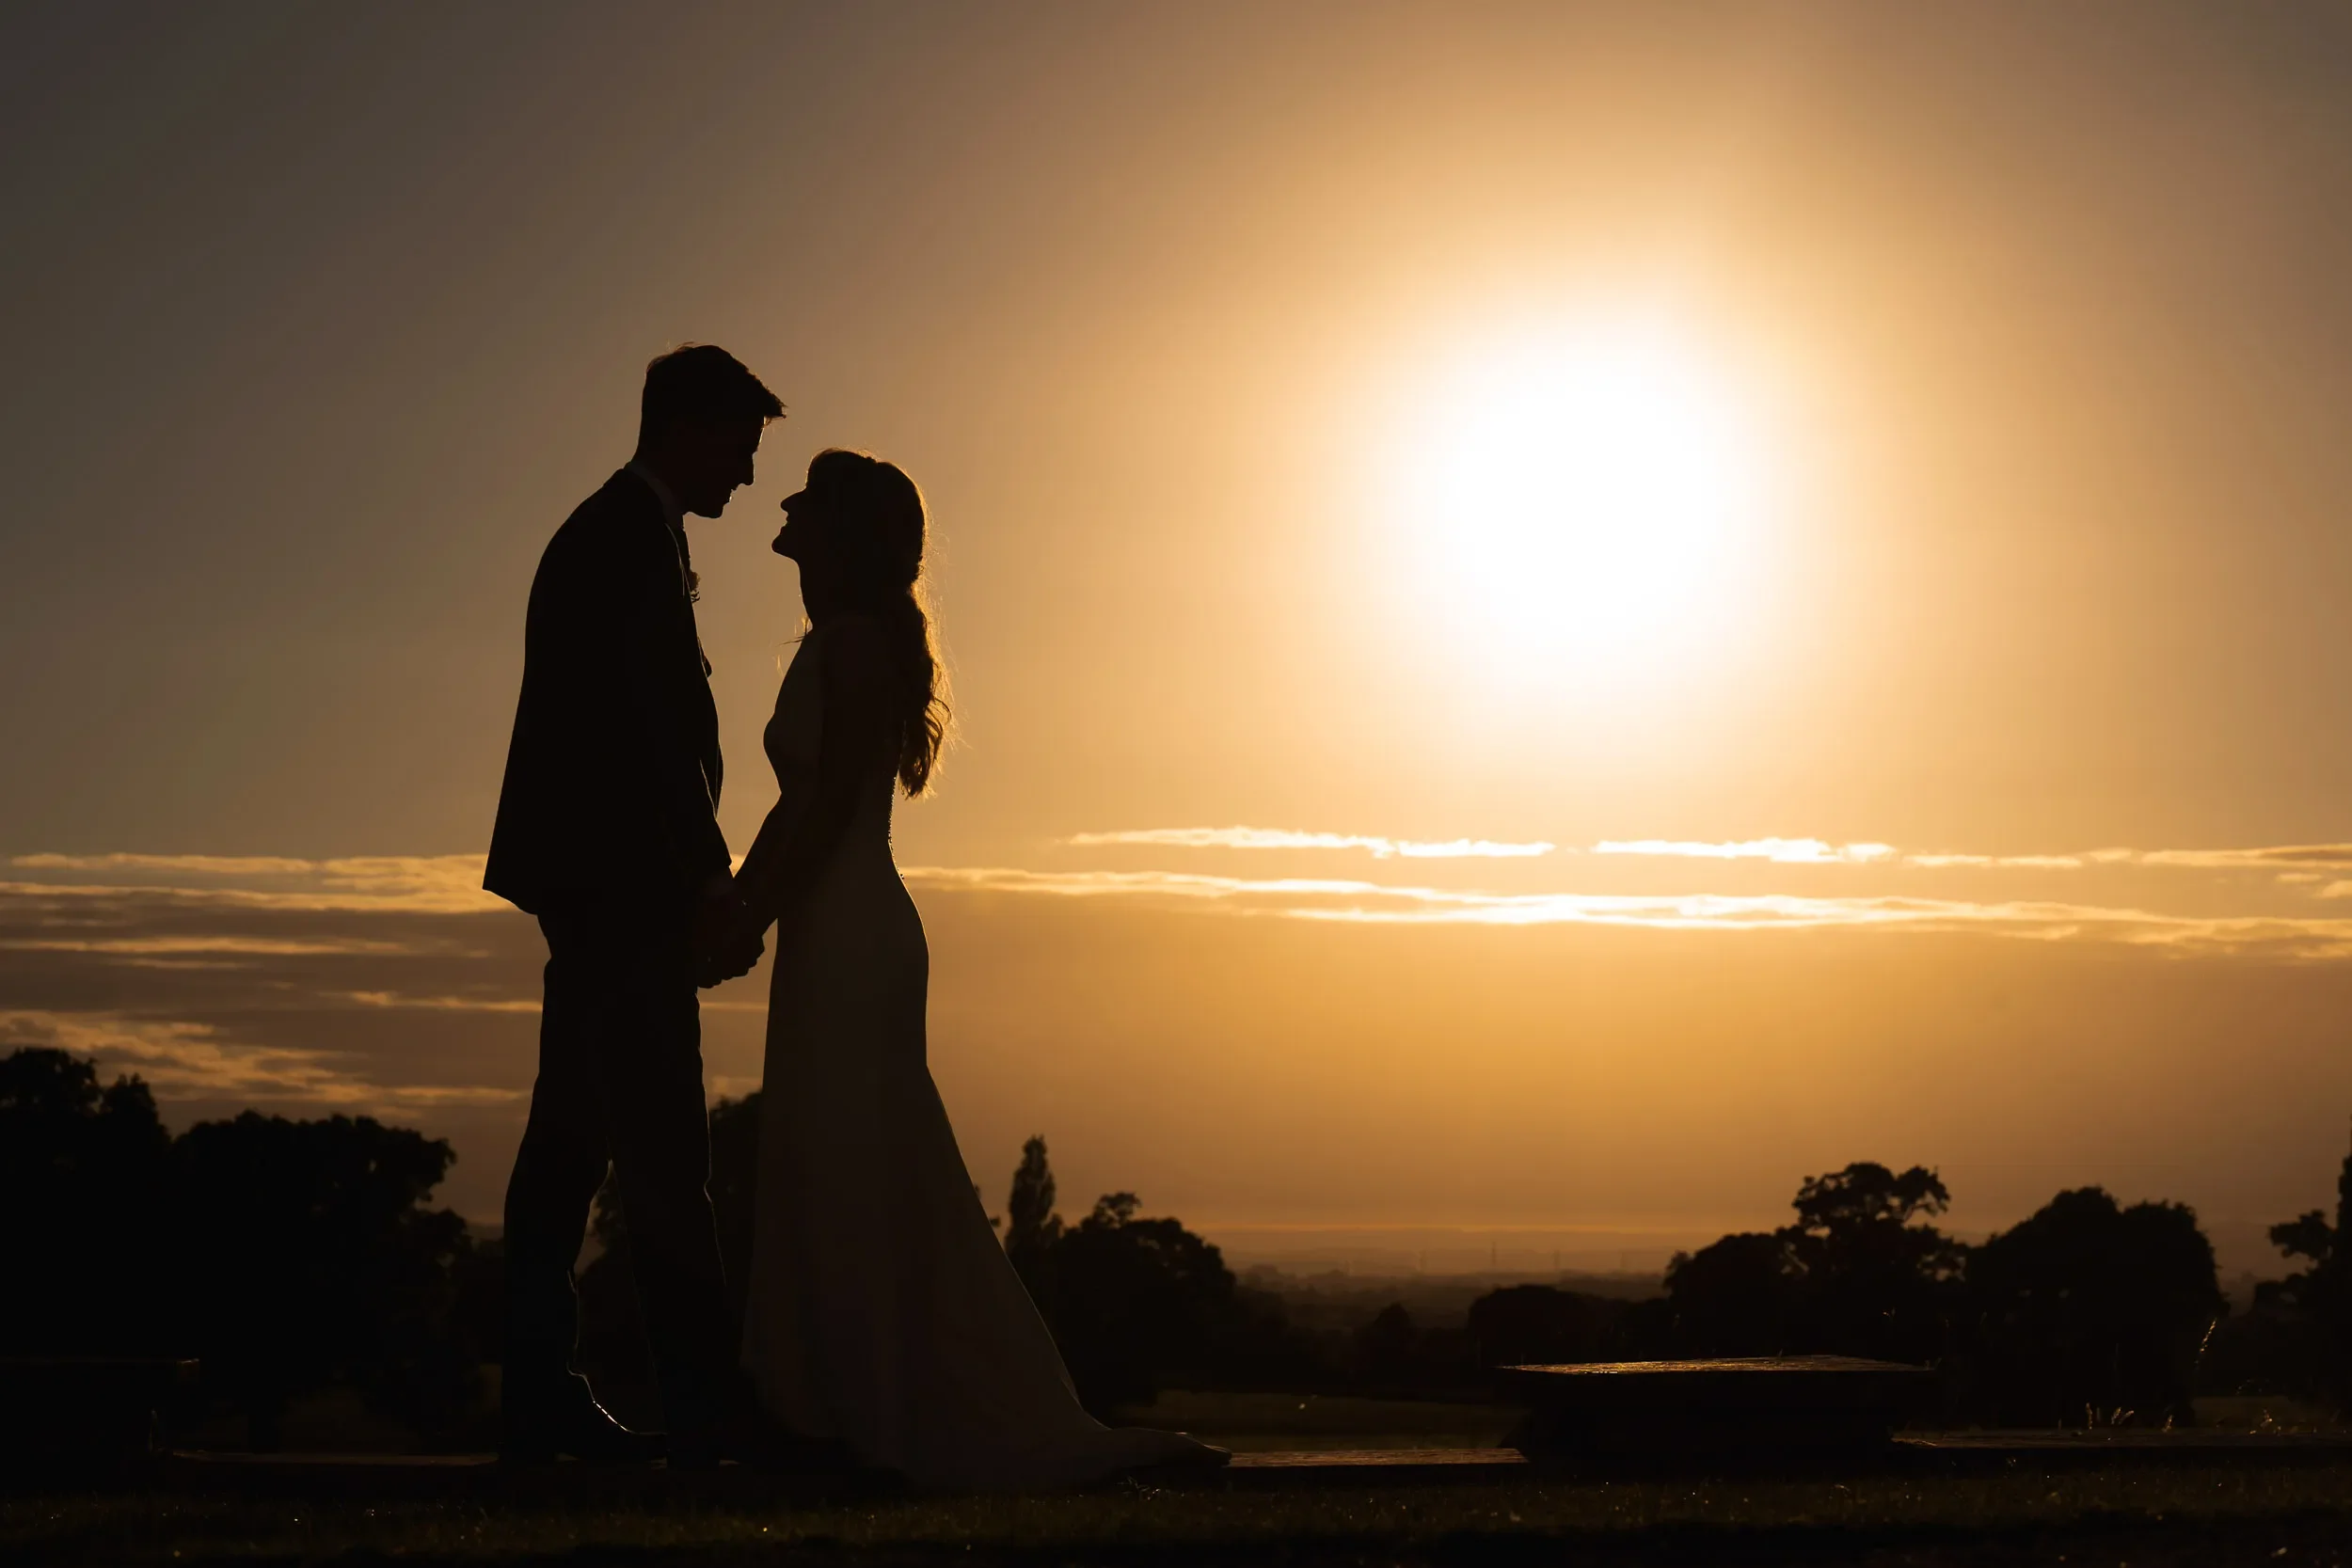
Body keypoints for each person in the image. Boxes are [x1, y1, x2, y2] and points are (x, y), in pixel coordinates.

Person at [713, 449, 1226, 1487]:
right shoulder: (837, 641)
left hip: (851, 929)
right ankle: (829, 1403)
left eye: (808, 496)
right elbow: (792, 806)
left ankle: (873, 1411)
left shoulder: (852, 647)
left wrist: (745, 913)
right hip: (832, 929)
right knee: (832, 1154)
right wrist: (741, 904)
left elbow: (822, 807)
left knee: (859, 1156)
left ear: (843, 532)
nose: (785, 503)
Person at [484, 344, 781, 1465]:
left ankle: (541, 1394)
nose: (748, 479)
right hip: (623, 891)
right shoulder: (623, 541)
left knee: (572, 1137)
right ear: (691, 429)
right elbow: (649, 733)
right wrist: (707, 874)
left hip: (598, 886)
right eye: (742, 451)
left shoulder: (619, 534)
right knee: (660, 1148)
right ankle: (703, 1410)